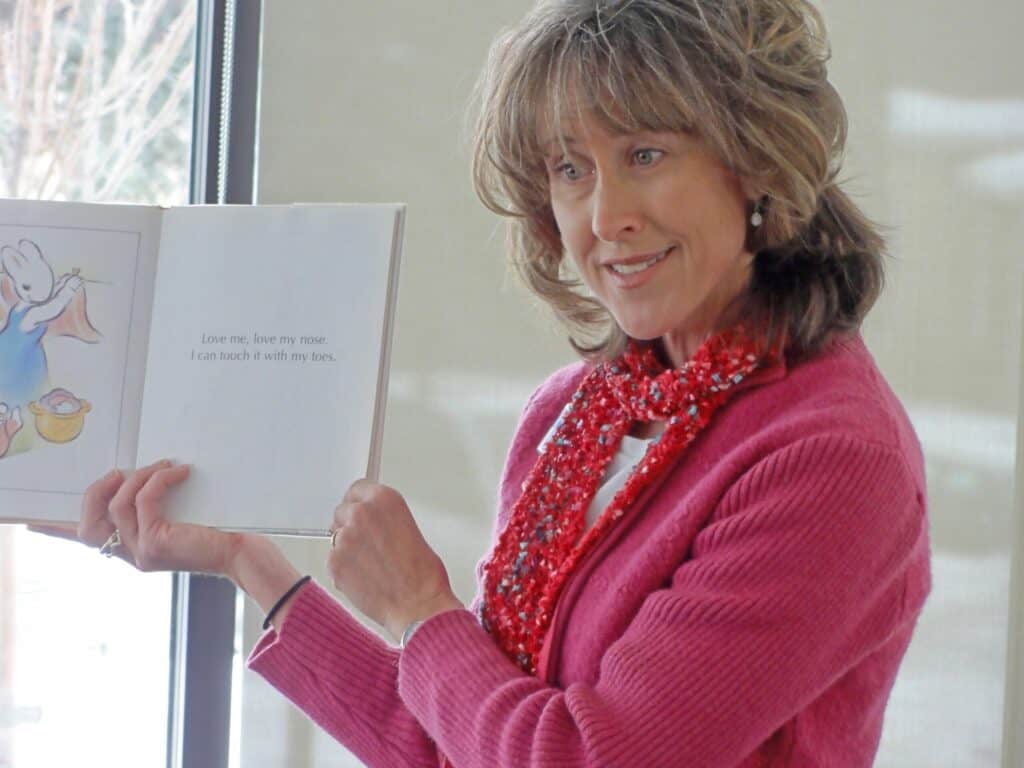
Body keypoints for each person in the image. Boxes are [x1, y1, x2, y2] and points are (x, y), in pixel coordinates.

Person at [32, 0, 931, 765]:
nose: (605, 216)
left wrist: (421, 608)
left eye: (647, 154)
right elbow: (461, 740)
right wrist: (246, 563)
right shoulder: (574, 415)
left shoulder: (831, 455)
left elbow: (576, 755)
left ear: (758, 161)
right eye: (570, 169)